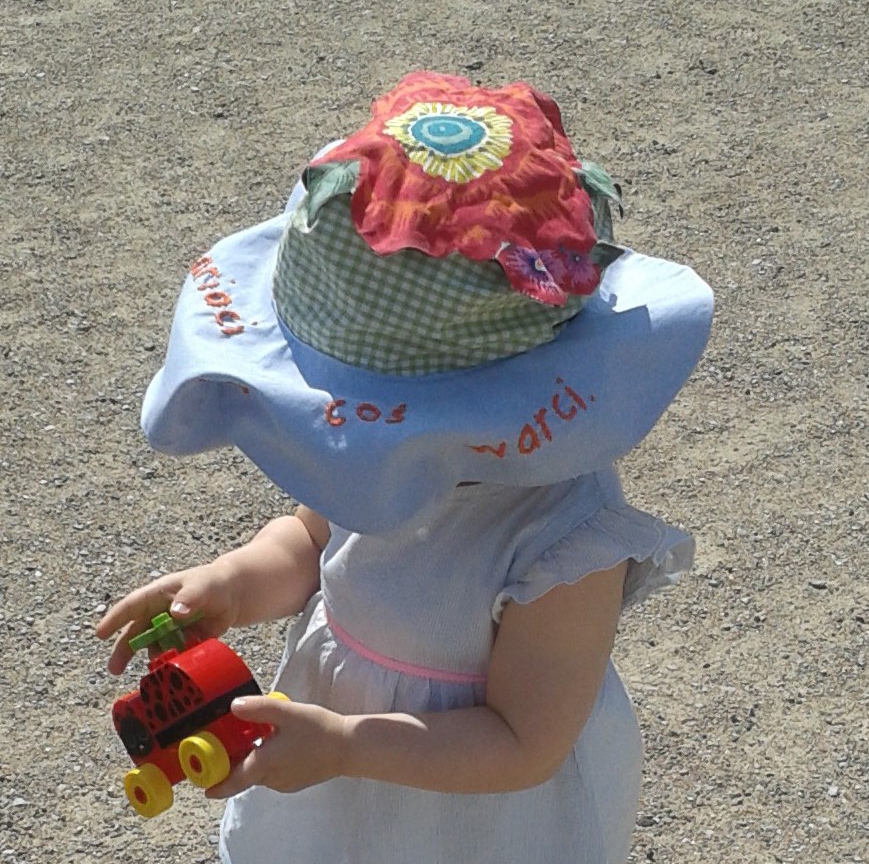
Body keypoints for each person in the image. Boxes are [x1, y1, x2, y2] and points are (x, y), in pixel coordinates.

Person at [97, 71, 713, 863]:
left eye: (372, 408)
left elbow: (524, 740)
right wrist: (232, 581)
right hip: (335, 768)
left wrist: (352, 743)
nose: (353, 430)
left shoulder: (564, 538)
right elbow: (314, 541)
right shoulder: (370, 455)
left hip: (477, 819)